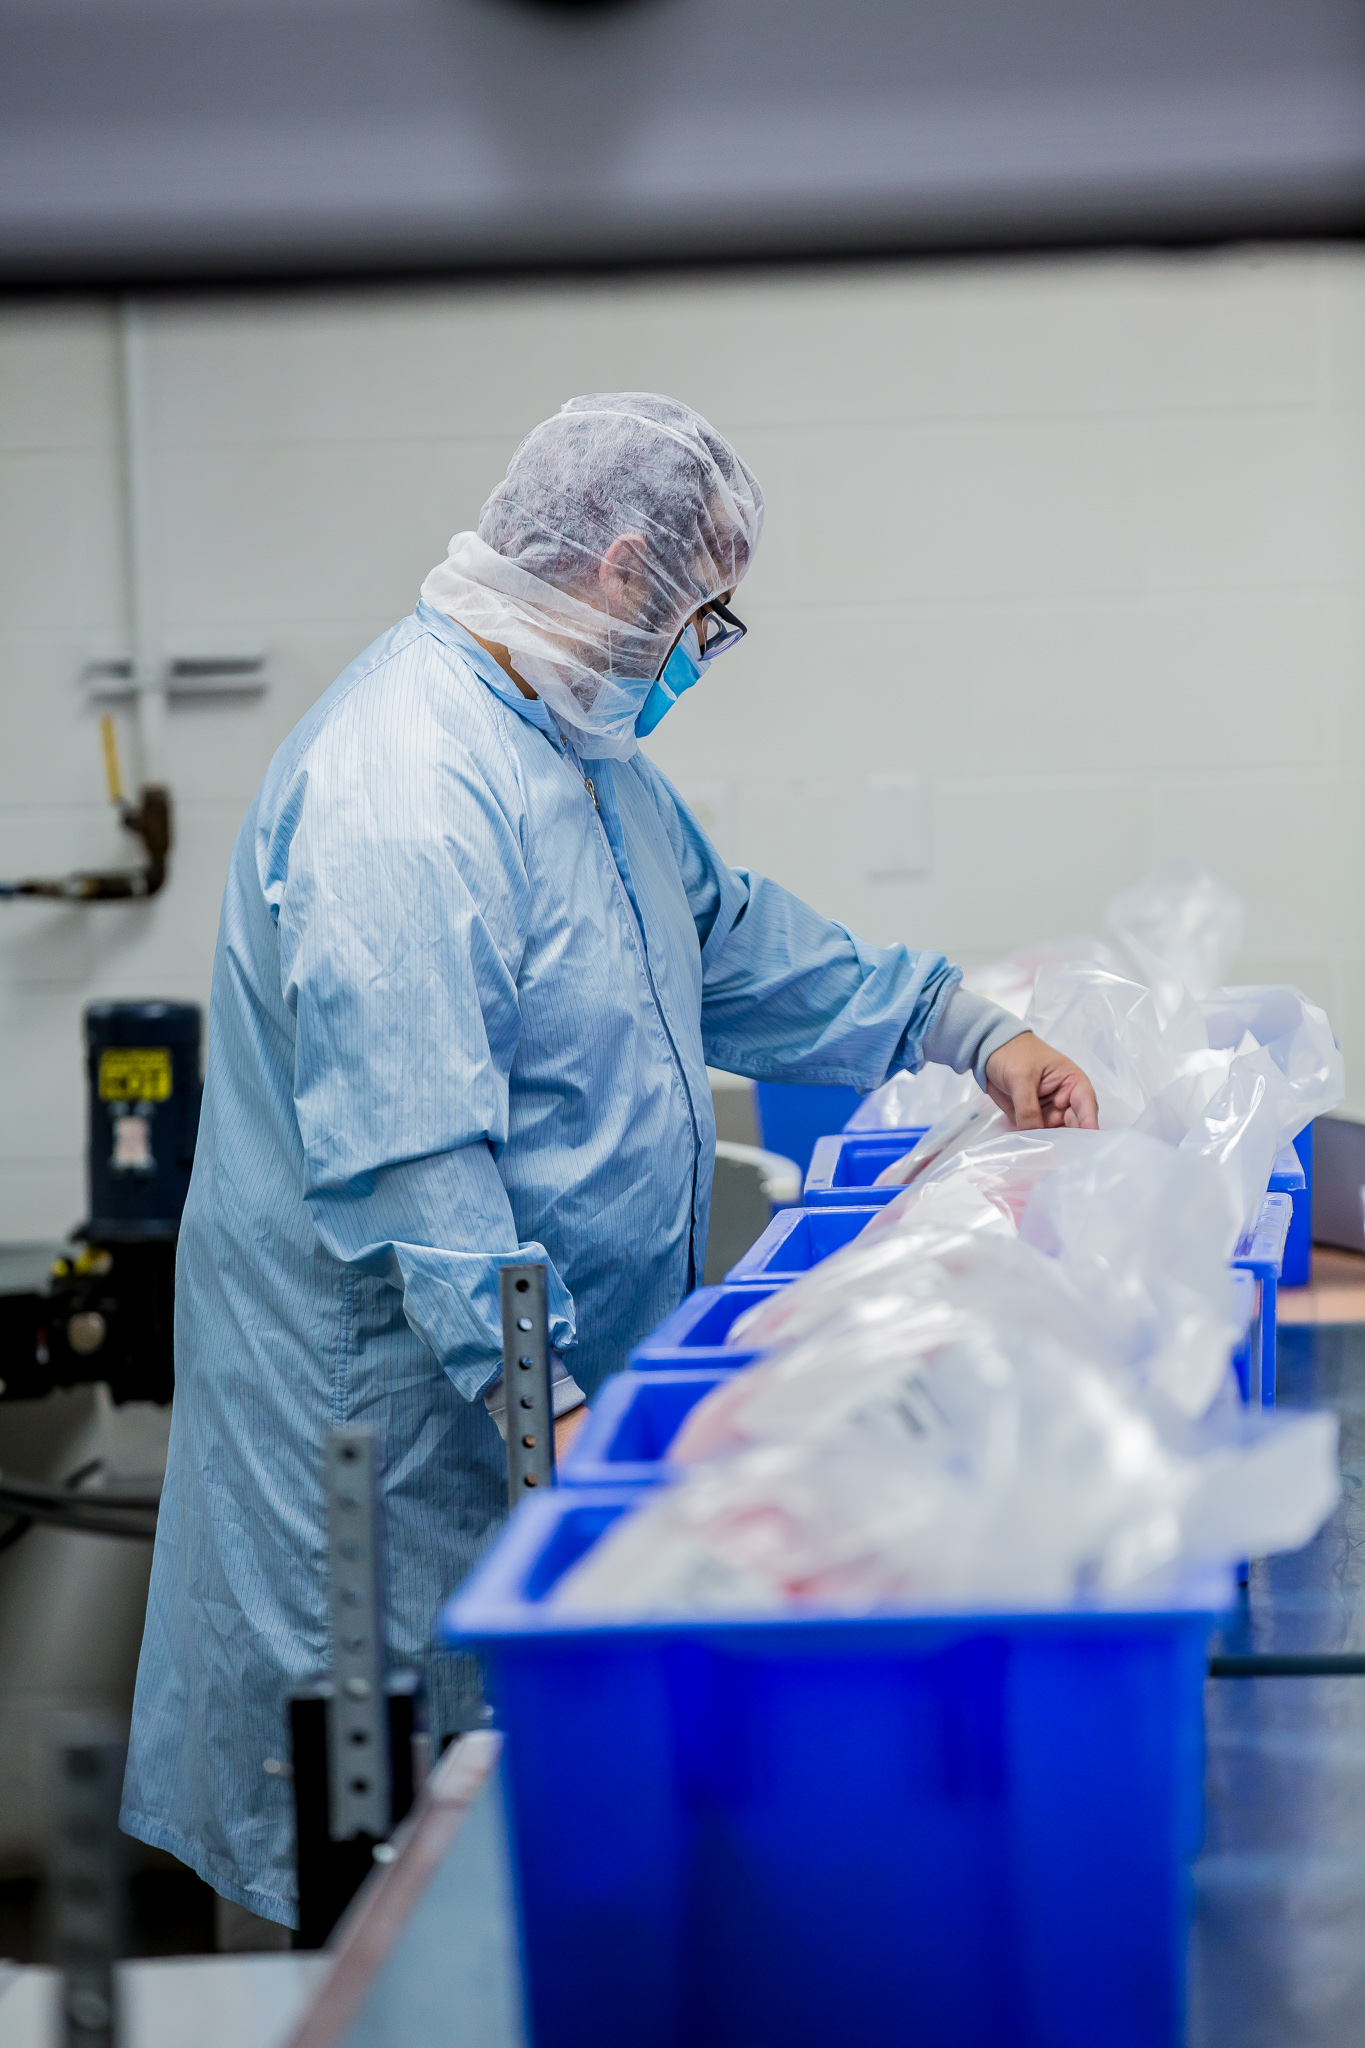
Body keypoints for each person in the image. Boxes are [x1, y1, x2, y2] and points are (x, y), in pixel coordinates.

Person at [120, 393, 1098, 1927]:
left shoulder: (568, 748)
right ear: (619, 565)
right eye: (703, 614)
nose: (696, 653)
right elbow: (415, 1175)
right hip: (392, 1434)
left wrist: (961, 1025)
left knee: (515, 1873)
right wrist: (556, 1415)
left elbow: (727, 940)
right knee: (382, 1885)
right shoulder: (409, 791)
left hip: (520, 1413)